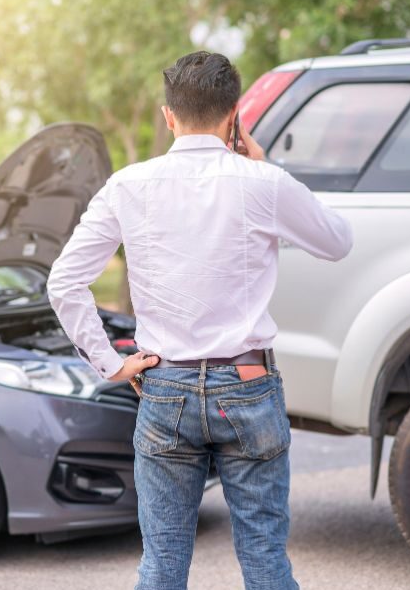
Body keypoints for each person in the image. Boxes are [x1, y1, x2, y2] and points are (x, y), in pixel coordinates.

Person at [46, 51, 353, 590]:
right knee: (265, 561)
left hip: (163, 388)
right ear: (234, 115)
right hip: (249, 385)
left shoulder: (128, 185)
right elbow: (337, 242)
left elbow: (63, 281)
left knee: (162, 565)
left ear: (169, 116)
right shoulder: (262, 183)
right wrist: (261, 167)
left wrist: (110, 363)